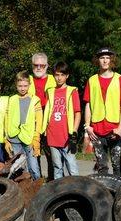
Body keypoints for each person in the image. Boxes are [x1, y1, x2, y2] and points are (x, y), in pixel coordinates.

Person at [83, 47, 121, 178]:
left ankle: (120, 193)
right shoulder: (91, 80)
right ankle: (103, 194)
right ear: (98, 60)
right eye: (102, 58)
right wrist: (88, 126)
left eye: (107, 58)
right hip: (96, 130)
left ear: (112, 60)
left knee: (117, 165)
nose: (105, 61)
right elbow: (88, 104)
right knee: (101, 166)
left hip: (114, 130)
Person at [41, 61, 81, 179]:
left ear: (67, 76)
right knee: (57, 167)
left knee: (72, 167)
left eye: (62, 75)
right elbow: (47, 111)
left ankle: (77, 191)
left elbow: (77, 113)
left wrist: (74, 131)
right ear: (53, 75)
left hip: (67, 136)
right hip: (53, 135)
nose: (59, 78)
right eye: (57, 75)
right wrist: (44, 130)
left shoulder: (72, 91)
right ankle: (61, 194)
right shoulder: (50, 91)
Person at [6, 71, 43, 180]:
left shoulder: (35, 100)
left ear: (29, 85)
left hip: (29, 137)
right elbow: (7, 118)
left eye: (25, 86)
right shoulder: (11, 99)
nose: (22, 88)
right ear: (16, 85)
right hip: (14, 137)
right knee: (18, 166)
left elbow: (39, 120)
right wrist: (6, 138)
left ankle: (37, 185)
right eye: (20, 86)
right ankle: (21, 187)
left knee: (33, 165)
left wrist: (36, 137)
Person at [29, 52, 57, 180]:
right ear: (32, 65)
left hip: (49, 120)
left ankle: (52, 181)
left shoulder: (55, 79)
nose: (39, 68)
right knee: (34, 152)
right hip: (32, 120)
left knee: (52, 153)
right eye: (36, 65)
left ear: (47, 66)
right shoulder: (26, 80)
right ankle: (37, 180)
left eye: (42, 65)